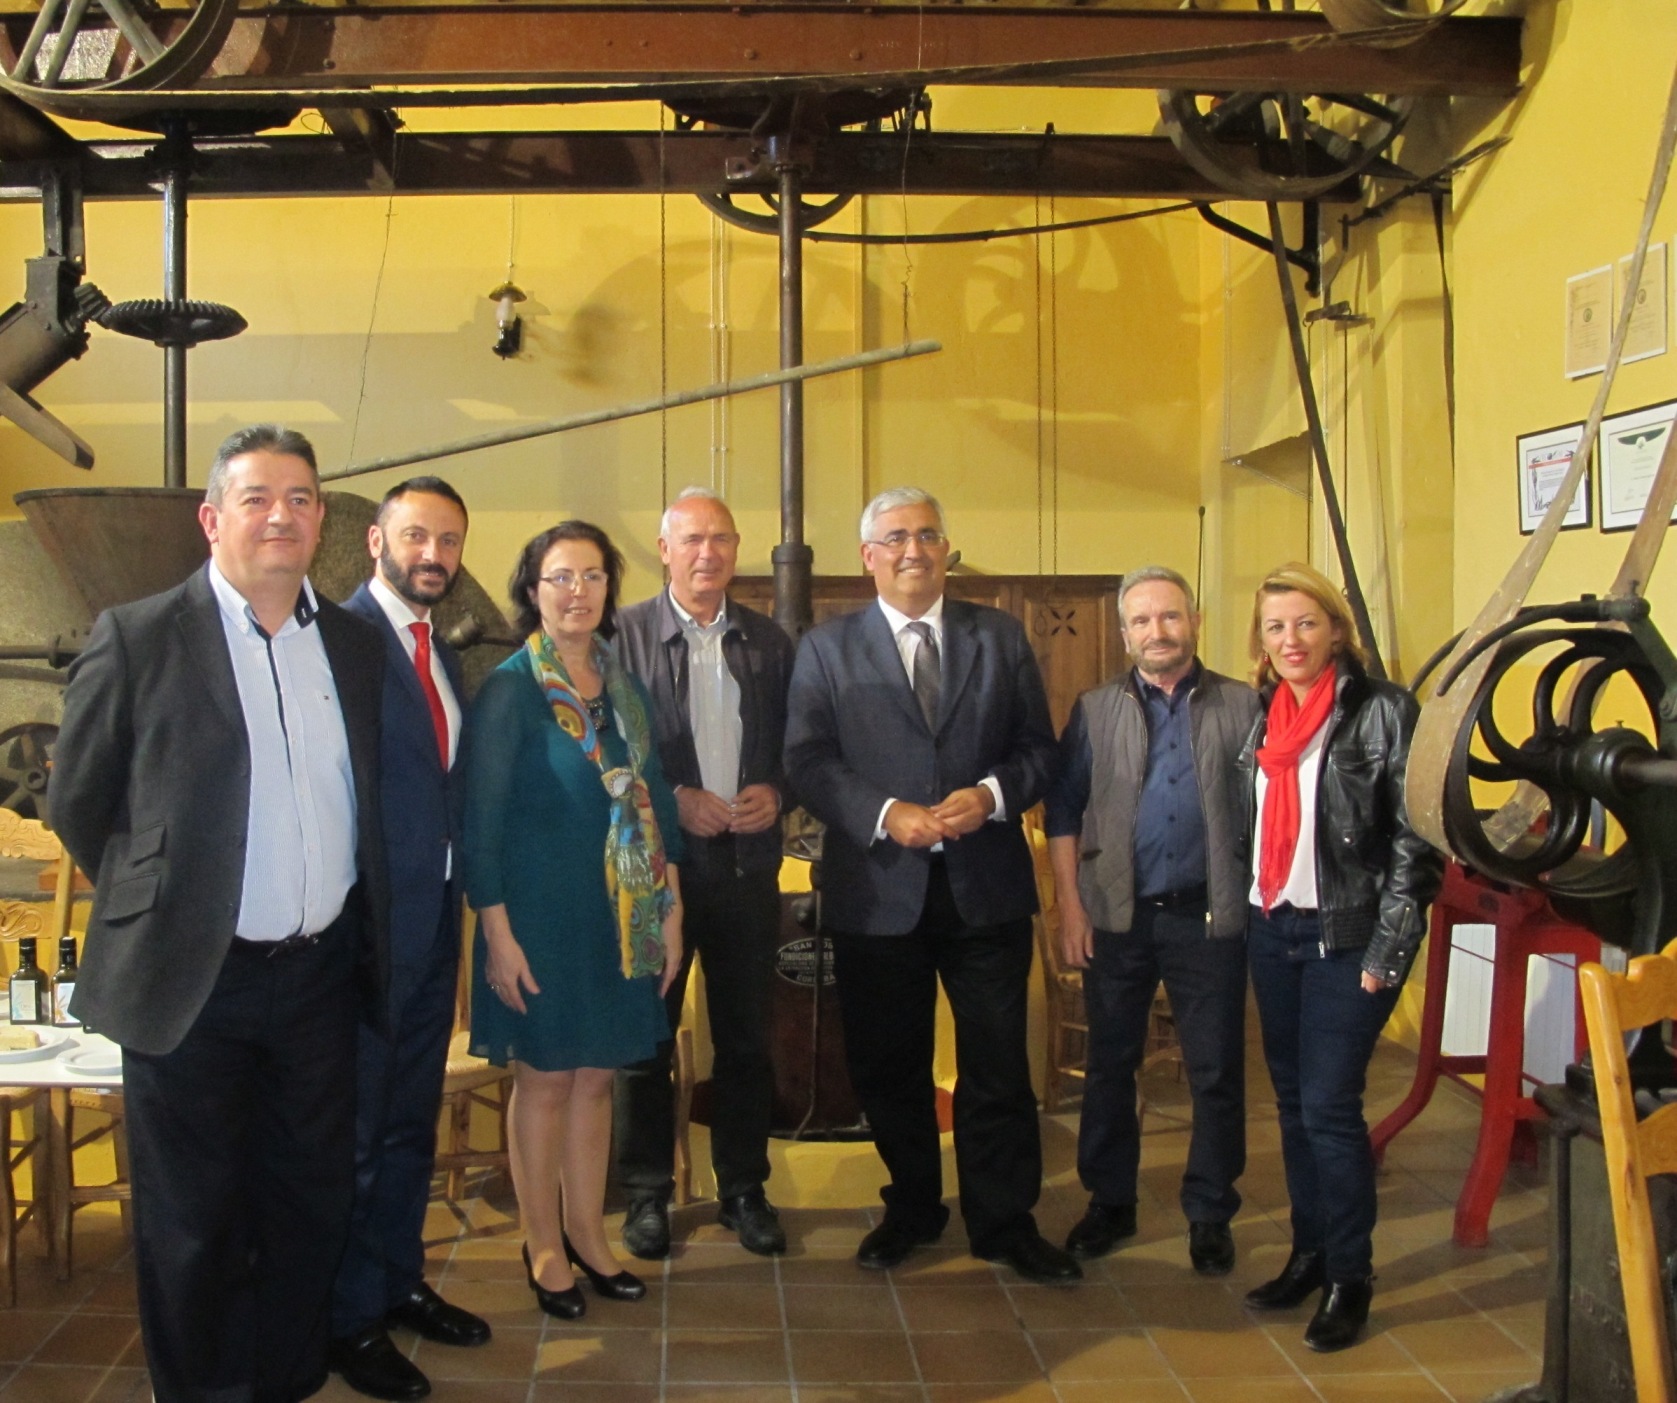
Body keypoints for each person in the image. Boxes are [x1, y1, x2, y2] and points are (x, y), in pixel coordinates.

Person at [50, 424, 390, 1403]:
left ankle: (282, 1380)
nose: (282, 514)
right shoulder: (140, 635)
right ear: (212, 519)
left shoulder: (353, 647)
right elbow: (79, 800)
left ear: (321, 520)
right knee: (192, 1221)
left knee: (307, 1204)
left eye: (301, 497)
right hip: (193, 982)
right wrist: (172, 899)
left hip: (318, 978)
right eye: (257, 497)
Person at [784, 487, 1076, 1284]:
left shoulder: (999, 636)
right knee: (889, 1066)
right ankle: (912, 1207)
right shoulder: (826, 649)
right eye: (894, 537)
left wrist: (990, 795)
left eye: (926, 534)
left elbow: (1038, 750)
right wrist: (883, 813)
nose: (911, 549)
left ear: (946, 549)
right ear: (867, 557)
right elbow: (806, 759)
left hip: (985, 887)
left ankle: (1004, 1221)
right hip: (878, 890)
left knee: (997, 1064)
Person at [465, 521, 683, 1320]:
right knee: (546, 1079)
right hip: (538, 918)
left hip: (621, 916)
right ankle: (543, 1245)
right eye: (559, 577)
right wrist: (497, 935)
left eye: (591, 576)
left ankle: (590, 1235)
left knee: (597, 1078)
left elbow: (657, 800)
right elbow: (479, 822)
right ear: (533, 590)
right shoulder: (510, 690)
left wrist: (671, 908)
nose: (577, 591)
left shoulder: (624, 687)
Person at [1236, 562, 1442, 1353]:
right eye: (1275, 626)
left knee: (1328, 1106)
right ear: (1260, 641)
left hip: (1346, 936)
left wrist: (1388, 948)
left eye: (1305, 622)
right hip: (1272, 928)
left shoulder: (1383, 711)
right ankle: (1309, 1253)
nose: (1290, 639)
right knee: (1292, 1105)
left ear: (1334, 630)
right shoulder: (1261, 715)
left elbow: (1415, 839)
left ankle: (1350, 1276)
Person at [1044, 565, 1259, 1274]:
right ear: (1123, 632)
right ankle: (1109, 1201)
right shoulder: (1094, 709)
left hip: (1208, 915)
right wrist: (1071, 907)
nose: (1156, 631)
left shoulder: (1243, 705)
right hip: (1117, 915)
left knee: (1215, 1070)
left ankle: (1210, 1210)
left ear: (1194, 621)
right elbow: (1063, 810)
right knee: (1110, 1065)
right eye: (1141, 620)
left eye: (1169, 616)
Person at [331, 477, 489, 1400]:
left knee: (406, 1122)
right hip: (366, 934)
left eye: (449, 540)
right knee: (357, 1131)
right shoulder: (341, 640)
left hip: (431, 930)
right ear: (375, 541)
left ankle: (397, 1279)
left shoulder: (441, 653)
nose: (434, 554)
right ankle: (348, 1316)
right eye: (416, 535)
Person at [613, 487, 796, 1259]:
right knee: (644, 1041)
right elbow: (603, 753)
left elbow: (801, 740)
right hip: (656, 873)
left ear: (735, 549)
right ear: (664, 550)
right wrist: (673, 798)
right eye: (691, 539)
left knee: (746, 1041)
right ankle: (646, 1193)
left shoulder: (770, 641)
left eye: (720, 538)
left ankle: (743, 1188)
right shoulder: (621, 636)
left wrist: (777, 790)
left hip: (747, 869)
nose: (707, 552)